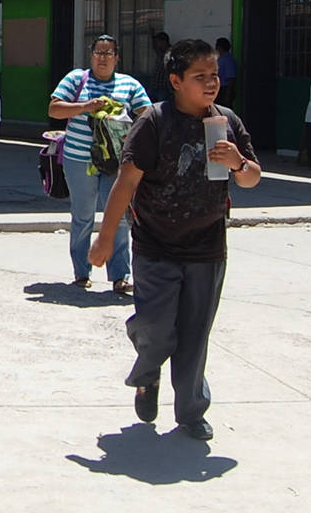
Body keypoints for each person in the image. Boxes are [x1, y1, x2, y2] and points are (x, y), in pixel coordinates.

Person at [90, 39, 261, 440]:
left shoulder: (227, 122)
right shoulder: (154, 121)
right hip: (156, 245)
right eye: (200, 76)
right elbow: (126, 182)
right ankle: (147, 373)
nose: (211, 83)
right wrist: (105, 237)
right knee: (156, 327)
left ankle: (191, 411)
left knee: (194, 336)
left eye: (214, 75)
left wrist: (237, 162)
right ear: (176, 81)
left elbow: (252, 177)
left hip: (207, 248)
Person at [48, 34, 151, 292]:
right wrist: (85, 106)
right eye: (98, 53)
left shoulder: (129, 84)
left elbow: (148, 115)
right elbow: (54, 109)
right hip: (79, 159)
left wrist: (131, 131)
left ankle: (120, 276)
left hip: (116, 162)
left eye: (108, 53)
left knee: (118, 216)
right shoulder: (75, 79)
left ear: (117, 58)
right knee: (83, 216)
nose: (102, 58)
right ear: (91, 55)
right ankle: (82, 272)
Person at [147, 31, 171, 102]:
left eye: (158, 41)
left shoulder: (170, 52)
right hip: (154, 85)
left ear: (164, 41)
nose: (157, 44)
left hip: (163, 87)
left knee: (162, 105)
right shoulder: (160, 52)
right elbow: (154, 47)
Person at [214, 37, 237, 107]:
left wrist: (227, 95)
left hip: (224, 89)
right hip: (219, 89)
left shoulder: (227, 60)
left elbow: (231, 78)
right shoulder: (221, 58)